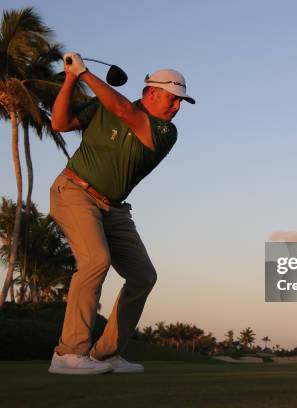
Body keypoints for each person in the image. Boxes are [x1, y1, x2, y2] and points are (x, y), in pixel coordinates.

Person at [47, 53, 195, 375]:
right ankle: (68, 354)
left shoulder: (166, 133)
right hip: (73, 191)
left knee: (143, 276)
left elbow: (125, 111)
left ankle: (105, 354)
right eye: (173, 99)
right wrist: (71, 79)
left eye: (181, 102)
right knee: (96, 261)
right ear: (152, 92)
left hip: (113, 208)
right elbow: (59, 123)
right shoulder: (105, 106)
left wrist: (84, 73)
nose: (177, 107)